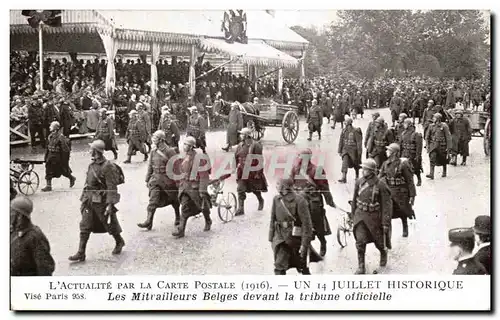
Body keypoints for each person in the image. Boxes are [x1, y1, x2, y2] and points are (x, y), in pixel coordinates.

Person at [68, 140, 125, 262]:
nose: (89, 151)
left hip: (102, 202)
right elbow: (87, 183)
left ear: (96, 151)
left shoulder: (107, 166)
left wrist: (110, 204)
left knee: (109, 224)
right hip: (89, 200)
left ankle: (119, 241)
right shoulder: (91, 165)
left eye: (91, 149)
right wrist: (83, 198)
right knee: (84, 225)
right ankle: (81, 252)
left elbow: (111, 187)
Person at [290, 149, 336, 256]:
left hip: (313, 202)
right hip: (299, 202)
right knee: (297, 225)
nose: (301, 159)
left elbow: (324, 188)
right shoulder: (295, 169)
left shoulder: (317, 170)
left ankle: (323, 242)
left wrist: (330, 201)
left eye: (302, 157)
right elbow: (290, 184)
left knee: (318, 226)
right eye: (300, 157)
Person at [351, 158, 392, 274]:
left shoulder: (380, 185)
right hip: (360, 217)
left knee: (379, 243)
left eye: (365, 169)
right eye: (363, 168)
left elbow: (386, 206)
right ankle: (361, 266)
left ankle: (383, 252)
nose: (363, 170)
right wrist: (353, 215)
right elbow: (354, 200)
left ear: (371, 171)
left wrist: (385, 223)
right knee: (360, 242)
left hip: (375, 219)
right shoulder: (359, 182)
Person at [138, 130, 181, 231]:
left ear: (161, 140)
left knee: (174, 200)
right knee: (153, 201)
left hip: (167, 180)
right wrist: (147, 178)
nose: (153, 140)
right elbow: (150, 166)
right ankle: (149, 222)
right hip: (155, 179)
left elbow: (176, 167)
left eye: (156, 138)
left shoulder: (170, 151)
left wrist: (177, 181)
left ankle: (178, 216)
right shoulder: (153, 151)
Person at [268, 178, 313, 275]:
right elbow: (273, 218)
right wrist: (271, 237)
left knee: (302, 267)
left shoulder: (300, 201)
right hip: (280, 238)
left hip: (295, 239)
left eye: (278, 183)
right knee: (279, 266)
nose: (276, 185)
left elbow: (307, 225)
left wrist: (304, 245)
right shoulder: (276, 199)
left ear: (285, 187)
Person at [172, 136, 212, 238]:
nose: (183, 146)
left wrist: (202, 190)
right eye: (184, 144)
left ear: (191, 147)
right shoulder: (184, 156)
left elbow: (204, 175)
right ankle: (181, 230)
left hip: (195, 187)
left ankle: (208, 220)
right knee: (184, 208)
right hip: (185, 186)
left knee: (202, 205)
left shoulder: (199, 158)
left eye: (186, 145)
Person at [379, 143, 416, 240]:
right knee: (388, 213)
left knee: (402, 211)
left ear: (394, 153)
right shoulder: (385, 164)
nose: (386, 152)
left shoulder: (403, 164)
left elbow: (410, 181)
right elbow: (379, 177)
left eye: (389, 150)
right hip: (389, 191)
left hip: (401, 192)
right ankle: (388, 235)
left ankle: (405, 225)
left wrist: (412, 196)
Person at [10, 196, 55, 276]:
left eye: (11, 212)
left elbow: (45, 268)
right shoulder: (13, 232)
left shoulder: (34, 236)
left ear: (19, 216)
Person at [234, 128, 268, 216]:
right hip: (242, 171)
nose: (240, 136)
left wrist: (258, 173)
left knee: (255, 189)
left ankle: (260, 200)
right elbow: (236, 158)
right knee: (240, 189)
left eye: (242, 134)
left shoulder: (256, 145)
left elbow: (260, 160)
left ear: (247, 136)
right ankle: (241, 209)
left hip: (253, 172)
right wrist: (234, 167)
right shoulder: (239, 146)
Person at [41, 121, 76, 192]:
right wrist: (46, 157)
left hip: (57, 158)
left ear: (55, 128)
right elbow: (47, 148)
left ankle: (71, 178)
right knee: (48, 170)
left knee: (63, 171)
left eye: (51, 126)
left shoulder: (61, 137)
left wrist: (64, 161)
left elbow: (65, 150)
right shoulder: (50, 136)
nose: (49, 127)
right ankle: (48, 186)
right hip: (50, 156)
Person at [425, 113, 452, 179]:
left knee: (443, 159)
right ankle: (431, 174)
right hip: (433, 145)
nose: (433, 119)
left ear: (438, 119)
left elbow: (448, 137)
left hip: (442, 145)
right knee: (432, 159)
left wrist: (448, 147)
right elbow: (427, 137)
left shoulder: (444, 126)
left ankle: (444, 171)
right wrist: (427, 146)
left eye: (434, 118)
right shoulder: (431, 126)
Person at [338, 115, 362, 183]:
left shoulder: (356, 131)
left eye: (345, 123)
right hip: (345, 150)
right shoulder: (343, 131)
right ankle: (344, 177)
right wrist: (339, 150)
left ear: (349, 123)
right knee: (344, 162)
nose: (345, 124)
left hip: (354, 151)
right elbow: (341, 141)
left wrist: (359, 153)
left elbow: (359, 143)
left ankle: (357, 175)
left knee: (355, 164)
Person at [400, 118, 424, 186]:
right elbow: (401, 145)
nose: (404, 125)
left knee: (416, 168)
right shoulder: (403, 133)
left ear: (409, 125)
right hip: (405, 153)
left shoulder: (416, 134)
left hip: (412, 154)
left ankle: (419, 179)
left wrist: (418, 156)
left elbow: (419, 147)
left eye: (405, 123)